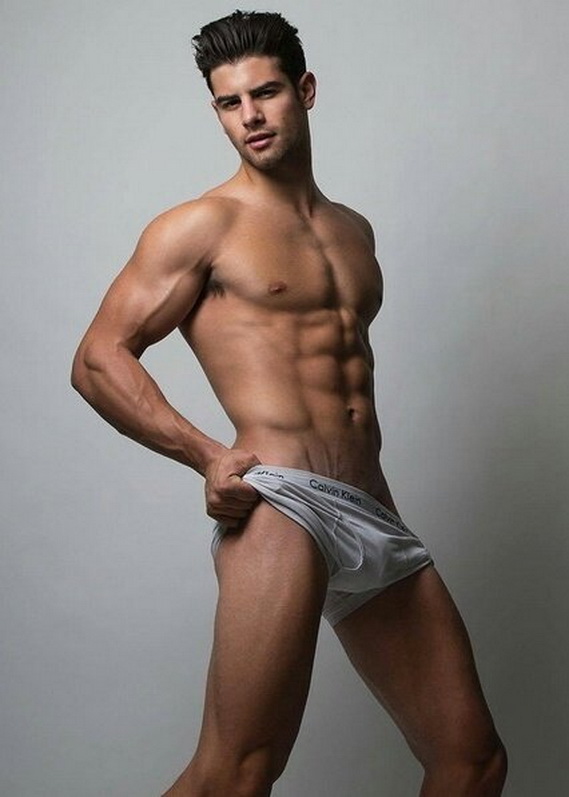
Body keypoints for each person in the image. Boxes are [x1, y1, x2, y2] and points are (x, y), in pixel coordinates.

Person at [71, 10, 507, 796]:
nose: (250, 116)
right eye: (229, 102)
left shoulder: (352, 231)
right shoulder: (200, 226)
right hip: (284, 504)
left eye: (265, 93)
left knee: (471, 761)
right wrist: (206, 455)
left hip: (371, 506)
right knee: (236, 773)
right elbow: (98, 359)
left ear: (304, 90)